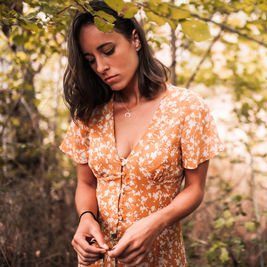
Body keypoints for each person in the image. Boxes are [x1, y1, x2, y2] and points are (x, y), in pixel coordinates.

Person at [59, 1, 223, 266]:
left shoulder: (187, 108)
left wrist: (156, 223)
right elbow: (86, 183)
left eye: (108, 51)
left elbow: (195, 188)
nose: (101, 67)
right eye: (91, 60)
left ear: (135, 39)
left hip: (159, 257)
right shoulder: (89, 112)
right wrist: (86, 218)